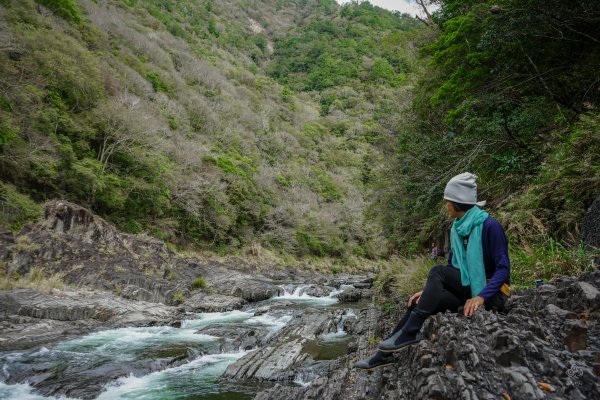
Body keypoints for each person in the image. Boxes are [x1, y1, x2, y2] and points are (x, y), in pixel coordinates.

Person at [355, 172, 511, 370]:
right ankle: (383, 355)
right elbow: (452, 268)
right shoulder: (457, 228)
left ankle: (410, 332)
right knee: (420, 302)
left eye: (448, 202)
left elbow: (503, 269)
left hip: (492, 293)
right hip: (468, 289)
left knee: (437, 271)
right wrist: (429, 290)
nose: (446, 206)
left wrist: (481, 297)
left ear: (458, 203)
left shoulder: (490, 226)